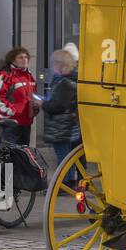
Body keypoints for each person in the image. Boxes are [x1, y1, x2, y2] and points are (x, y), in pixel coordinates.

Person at [42, 48, 81, 181]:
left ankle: (65, 183)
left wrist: (41, 103)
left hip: (61, 128)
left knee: (63, 158)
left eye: (54, 63)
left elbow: (57, 106)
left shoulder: (65, 83)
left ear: (61, 64)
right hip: (68, 127)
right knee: (66, 157)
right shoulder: (69, 79)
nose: (53, 67)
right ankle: (68, 182)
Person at [0, 46, 39, 145]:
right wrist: (12, 111)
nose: (24, 59)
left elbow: (33, 96)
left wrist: (35, 106)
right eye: (20, 57)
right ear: (13, 60)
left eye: (26, 57)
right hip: (12, 123)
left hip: (26, 122)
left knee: (22, 155)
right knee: (8, 155)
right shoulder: (6, 75)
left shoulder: (29, 75)